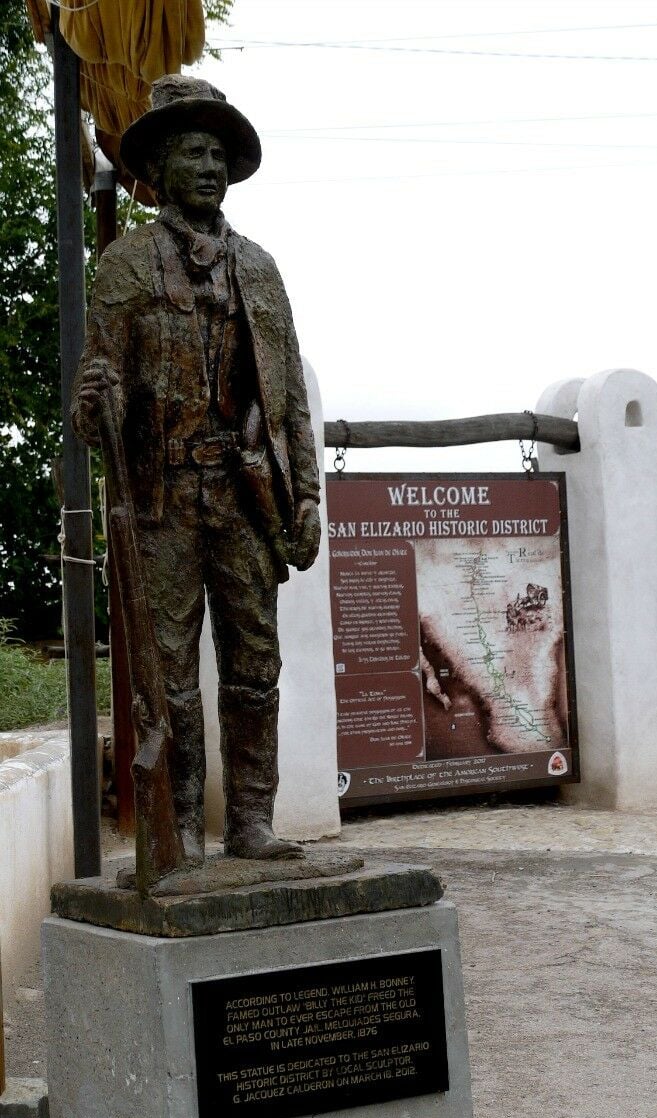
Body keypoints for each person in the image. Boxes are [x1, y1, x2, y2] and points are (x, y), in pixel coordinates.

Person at [72, 75, 321, 862]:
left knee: (255, 662)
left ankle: (251, 821)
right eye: (192, 151)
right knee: (168, 673)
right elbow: (91, 410)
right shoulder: (125, 265)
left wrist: (306, 496)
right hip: (164, 500)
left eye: (217, 152)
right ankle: (180, 827)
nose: (208, 166)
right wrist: (93, 402)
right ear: (160, 168)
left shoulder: (262, 270)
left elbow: (287, 403)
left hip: (246, 494)